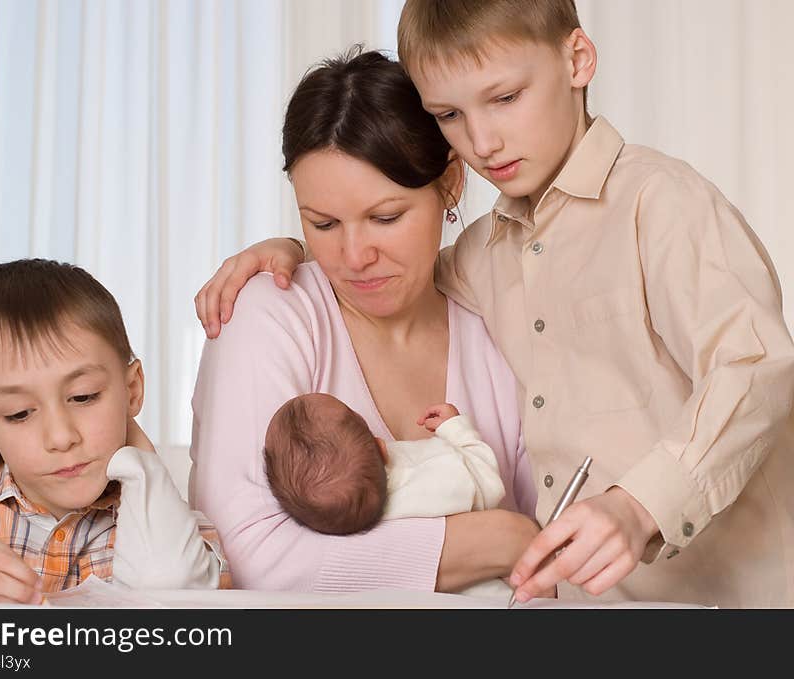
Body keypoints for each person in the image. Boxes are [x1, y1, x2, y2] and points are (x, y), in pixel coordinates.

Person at [194, 1, 794, 608]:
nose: (482, 140)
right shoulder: (483, 259)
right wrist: (294, 250)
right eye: (450, 114)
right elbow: (388, 268)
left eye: (505, 98)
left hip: (739, 598)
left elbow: (756, 366)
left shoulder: (661, 204)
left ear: (578, 59)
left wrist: (642, 505)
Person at [189, 49, 539, 595]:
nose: (354, 257)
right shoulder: (269, 312)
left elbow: (559, 549)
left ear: (450, 183)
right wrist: (498, 538)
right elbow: (249, 554)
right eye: (323, 223)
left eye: (385, 217)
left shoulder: (497, 324)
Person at [0, 259, 223, 603]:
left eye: (83, 396)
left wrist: (140, 458)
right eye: (19, 414)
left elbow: (182, 596)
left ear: (132, 390)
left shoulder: (165, 518)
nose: (61, 437)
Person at [264, 393, 514, 598]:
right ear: (383, 450)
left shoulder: (336, 526)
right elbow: (488, 479)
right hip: (488, 597)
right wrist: (455, 428)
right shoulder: (427, 474)